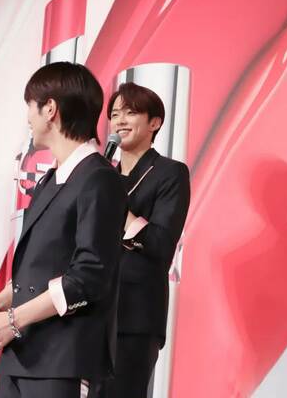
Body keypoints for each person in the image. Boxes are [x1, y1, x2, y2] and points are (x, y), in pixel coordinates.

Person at [0, 62, 127, 398]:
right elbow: (47, 260)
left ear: (50, 109)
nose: (28, 118)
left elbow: (89, 276)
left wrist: (15, 319)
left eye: (30, 107)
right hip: (22, 354)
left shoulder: (99, 179)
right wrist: (6, 298)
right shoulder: (51, 179)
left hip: (64, 357)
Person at [101, 82, 191, 397]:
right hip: (90, 312)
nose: (120, 121)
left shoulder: (170, 173)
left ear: (154, 122)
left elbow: (161, 243)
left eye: (130, 112)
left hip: (134, 316)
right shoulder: (101, 174)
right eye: (114, 114)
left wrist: (117, 207)